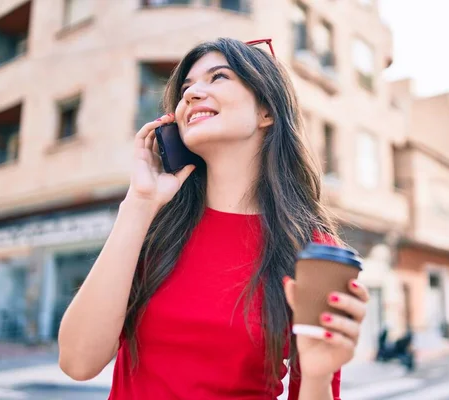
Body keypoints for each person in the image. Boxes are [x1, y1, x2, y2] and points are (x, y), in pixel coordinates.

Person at [57, 37, 370, 400]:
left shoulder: (312, 249)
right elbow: (78, 363)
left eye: (218, 77)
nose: (191, 94)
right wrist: (140, 202)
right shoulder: (155, 225)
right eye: (186, 87)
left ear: (266, 111)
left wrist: (317, 375)